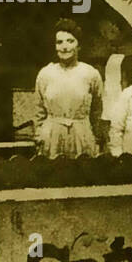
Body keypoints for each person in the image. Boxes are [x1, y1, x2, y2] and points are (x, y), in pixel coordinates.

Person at [33, 19, 104, 158]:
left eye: (70, 41)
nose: (64, 47)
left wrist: (95, 137)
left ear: (79, 46)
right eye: (59, 42)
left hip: (81, 134)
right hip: (52, 135)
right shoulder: (45, 73)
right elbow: (39, 111)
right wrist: (39, 135)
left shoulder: (91, 73)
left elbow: (97, 110)